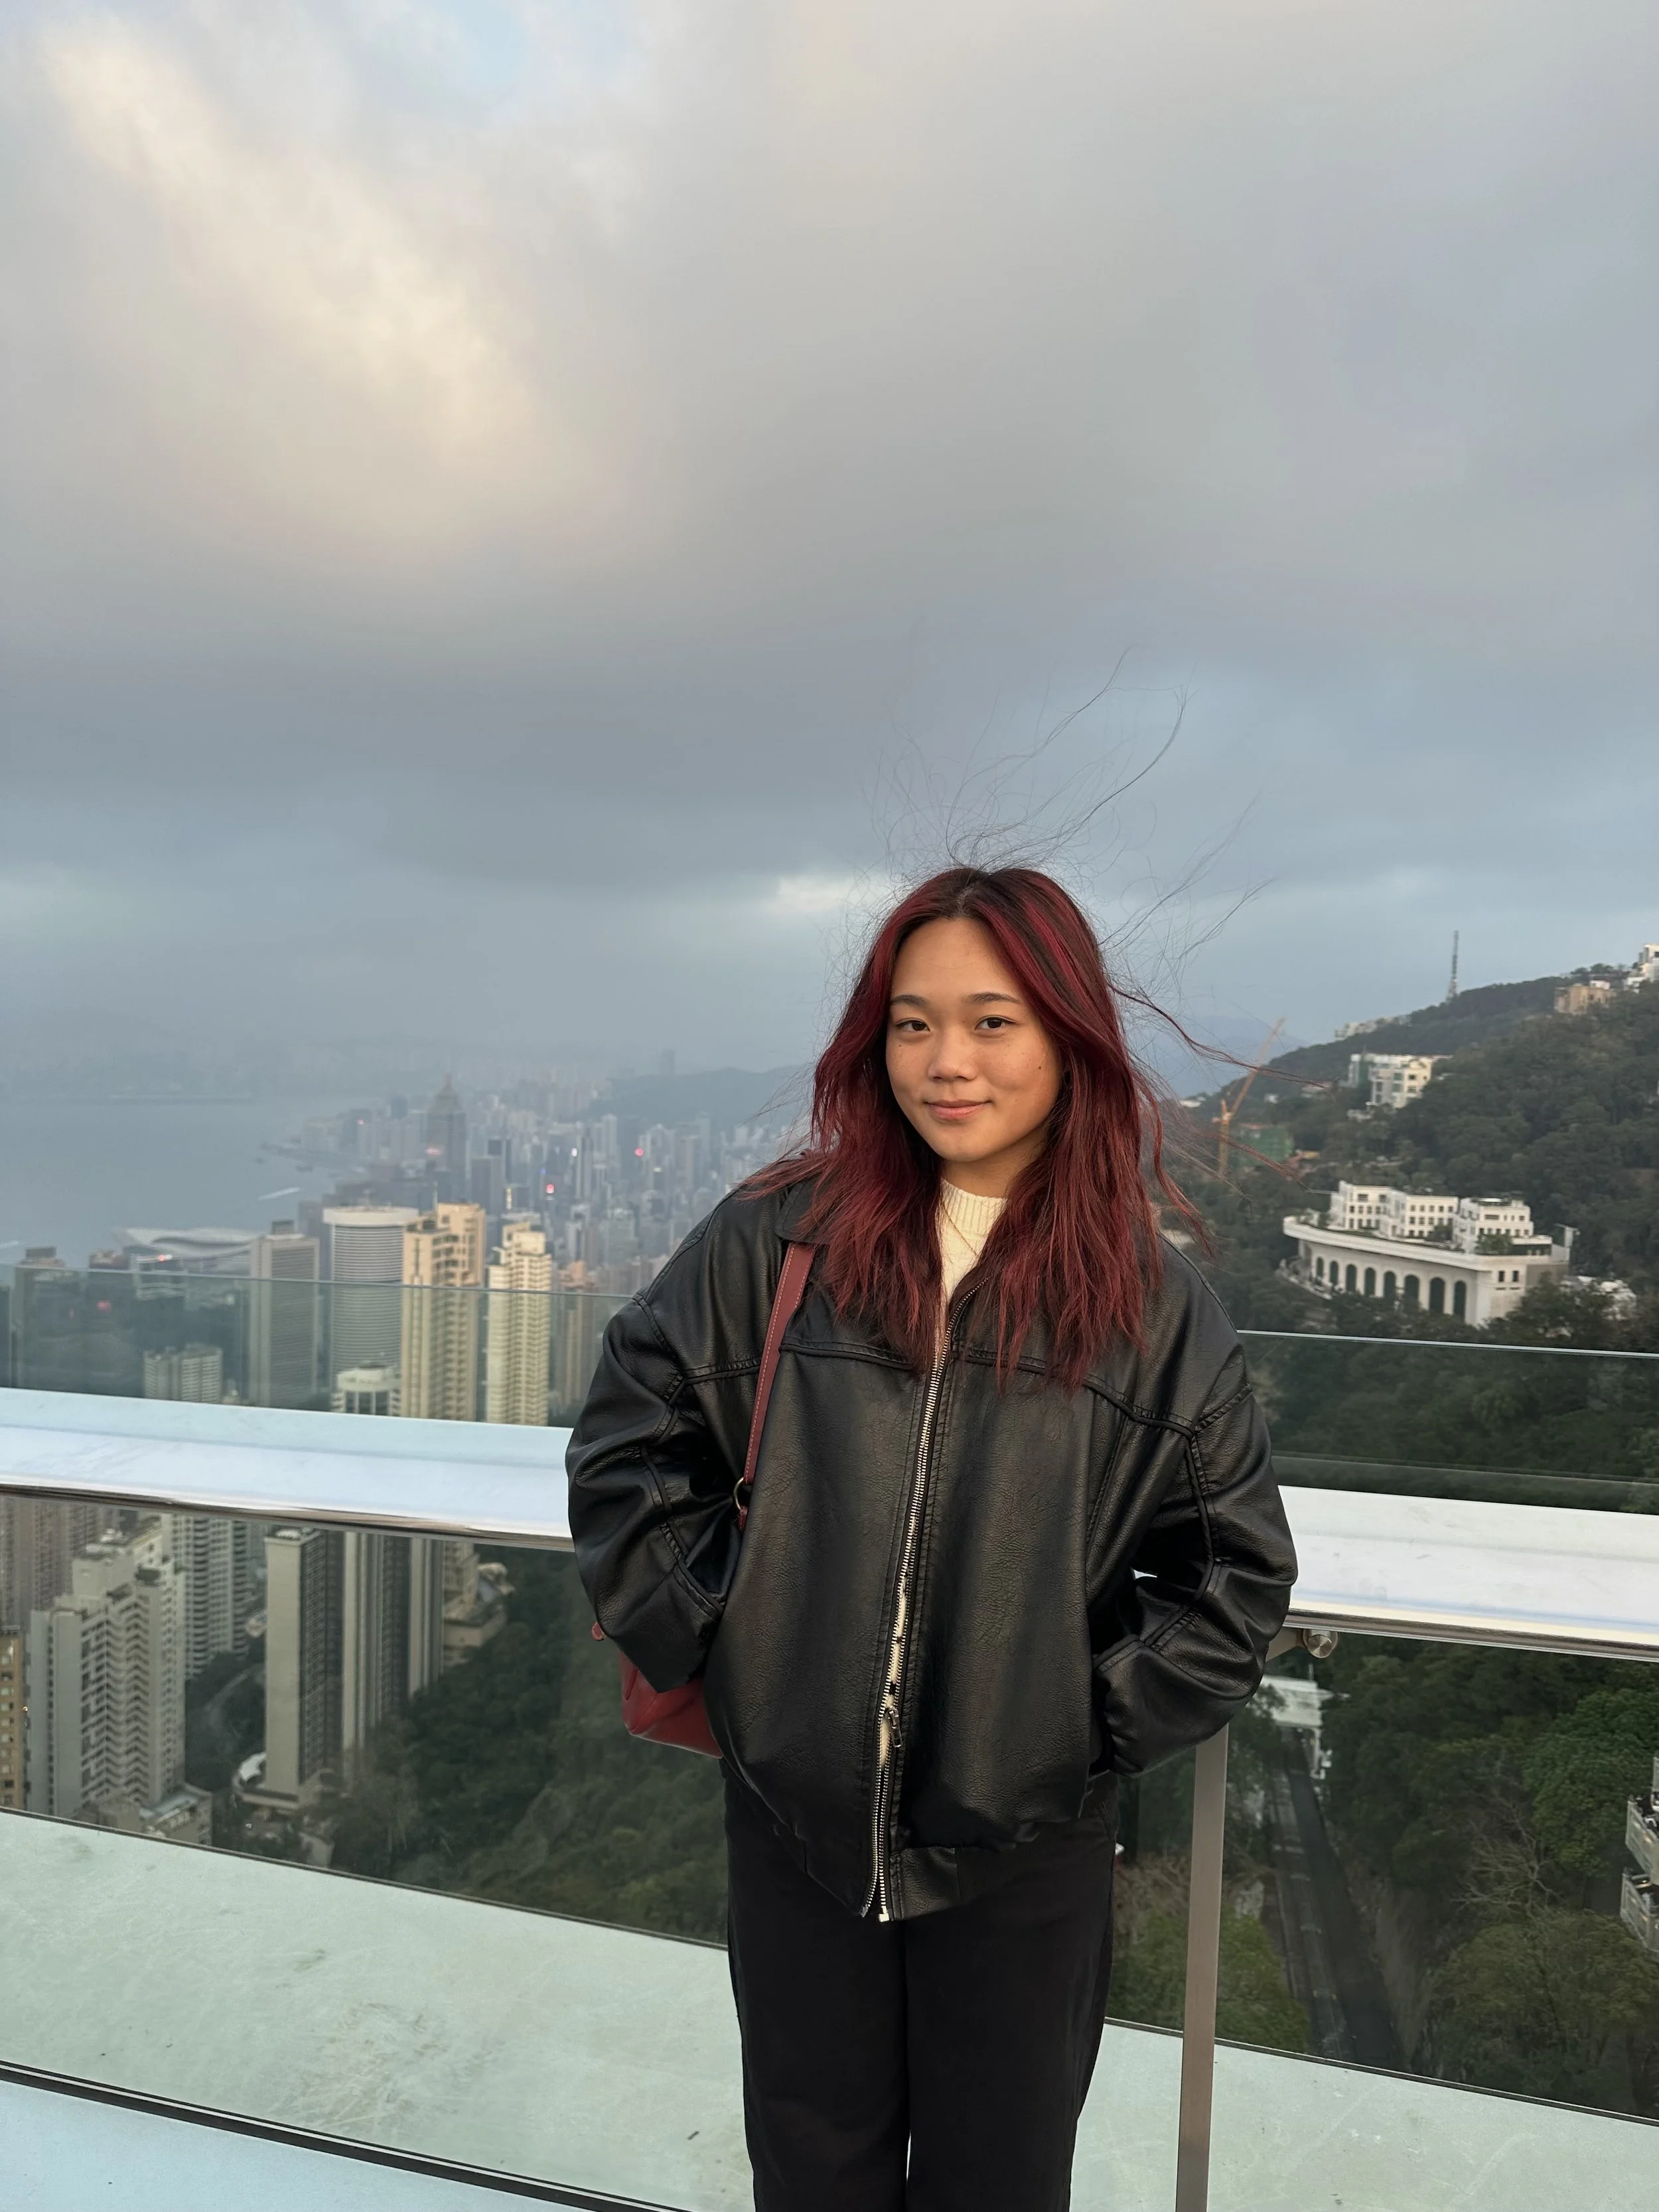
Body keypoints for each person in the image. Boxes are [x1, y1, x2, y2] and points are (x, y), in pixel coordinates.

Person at [567, 865, 1297, 2212]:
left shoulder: (1147, 1303)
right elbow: (627, 1446)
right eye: (910, 1024)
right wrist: (739, 1650)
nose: (943, 1062)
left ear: (1066, 1038)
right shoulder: (774, 1239)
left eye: (990, 1021)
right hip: (793, 1823)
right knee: (809, 2174)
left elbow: (1233, 1573)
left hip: (1022, 1852)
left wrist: (1069, 1726)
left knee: (1000, 2182)